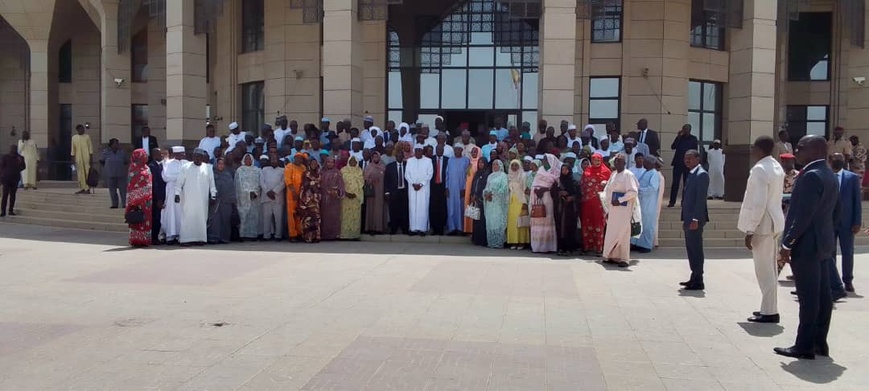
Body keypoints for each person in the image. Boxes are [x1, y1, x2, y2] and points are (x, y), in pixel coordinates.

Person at [775, 135, 839, 360]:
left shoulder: (810, 176)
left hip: (808, 246)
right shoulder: (828, 173)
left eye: (800, 148)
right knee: (822, 296)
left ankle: (804, 346)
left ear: (813, 150)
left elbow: (802, 215)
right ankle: (819, 342)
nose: (797, 152)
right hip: (823, 244)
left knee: (809, 297)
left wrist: (787, 243)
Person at [737, 136, 785, 323]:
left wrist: (750, 230)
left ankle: (770, 312)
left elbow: (758, 203)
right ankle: (768, 307)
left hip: (763, 225)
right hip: (774, 222)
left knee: (764, 269)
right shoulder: (775, 166)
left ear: (760, 149)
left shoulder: (759, 169)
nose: (751, 151)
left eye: (753, 148)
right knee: (770, 267)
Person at [828, 153, 860, 296]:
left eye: (839, 159)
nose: (837, 161)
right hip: (829, 222)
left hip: (847, 223)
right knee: (830, 252)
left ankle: (848, 280)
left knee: (848, 252)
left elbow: (856, 201)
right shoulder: (826, 176)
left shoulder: (852, 178)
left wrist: (857, 221)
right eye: (834, 159)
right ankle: (832, 281)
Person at [679, 150, 709, 291]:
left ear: (698, 159)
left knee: (696, 248)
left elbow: (700, 200)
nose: (687, 161)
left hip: (694, 219)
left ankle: (699, 279)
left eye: (690, 158)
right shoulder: (691, 173)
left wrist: (695, 218)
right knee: (690, 248)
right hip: (688, 217)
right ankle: (694, 276)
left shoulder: (701, 174)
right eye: (685, 158)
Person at [601, 153, 639, 267]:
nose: (617, 163)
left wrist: (621, 200)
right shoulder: (613, 174)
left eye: (619, 161)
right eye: (615, 161)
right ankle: (612, 256)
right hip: (613, 209)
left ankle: (624, 259)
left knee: (623, 233)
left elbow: (633, 192)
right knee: (612, 233)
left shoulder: (628, 175)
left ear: (624, 163)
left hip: (623, 210)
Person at [175, 149, 217, 246]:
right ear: (192, 157)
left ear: (202, 158)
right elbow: (179, 182)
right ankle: (185, 239)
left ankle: (200, 238)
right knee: (187, 217)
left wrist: (213, 195)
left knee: (201, 217)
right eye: (195, 156)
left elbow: (212, 183)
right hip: (188, 198)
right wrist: (177, 194)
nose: (197, 158)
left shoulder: (208, 168)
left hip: (203, 199)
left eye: (199, 156)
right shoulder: (185, 167)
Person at [580, 154, 611, 255]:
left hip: (600, 203)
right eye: (594, 160)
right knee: (587, 223)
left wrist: (604, 183)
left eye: (598, 160)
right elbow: (582, 184)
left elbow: (610, 186)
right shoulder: (587, 171)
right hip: (587, 202)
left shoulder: (607, 172)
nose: (596, 162)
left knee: (599, 223)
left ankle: (598, 248)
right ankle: (587, 247)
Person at [530, 154, 561, 253]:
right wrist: (536, 191)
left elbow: (557, 187)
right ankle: (537, 246)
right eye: (543, 160)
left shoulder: (556, 172)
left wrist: (545, 189)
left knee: (547, 220)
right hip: (536, 198)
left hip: (548, 198)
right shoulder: (540, 170)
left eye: (546, 159)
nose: (544, 161)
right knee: (537, 220)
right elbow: (534, 183)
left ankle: (548, 246)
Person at [631, 156, 661, 253]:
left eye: (646, 162)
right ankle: (638, 243)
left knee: (648, 225)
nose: (643, 163)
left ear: (651, 163)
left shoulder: (654, 173)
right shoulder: (646, 172)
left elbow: (653, 188)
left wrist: (640, 190)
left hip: (649, 203)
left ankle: (647, 245)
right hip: (641, 203)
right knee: (640, 224)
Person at [124, 149, 152, 247]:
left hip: (147, 200)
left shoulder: (147, 168)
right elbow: (131, 185)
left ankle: (144, 240)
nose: (146, 157)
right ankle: (136, 240)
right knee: (136, 220)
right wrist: (136, 199)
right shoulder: (133, 168)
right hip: (135, 201)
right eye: (144, 155)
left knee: (145, 220)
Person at [668, 124, 699, 207]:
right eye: (684, 129)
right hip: (678, 163)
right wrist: (677, 137)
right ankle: (672, 201)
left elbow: (695, 151)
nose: (685, 131)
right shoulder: (680, 138)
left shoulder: (693, 139)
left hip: (688, 164)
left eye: (687, 129)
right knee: (675, 183)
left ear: (690, 130)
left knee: (687, 184)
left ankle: (684, 202)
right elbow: (673, 147)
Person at [406, 146, 434, 235]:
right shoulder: (410, 161)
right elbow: (407, 174)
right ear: (414, 151)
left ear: (422, 151)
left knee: (423, 208)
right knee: (412, 208)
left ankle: (422, 229)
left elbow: (430, 174)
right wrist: (413, 183)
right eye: (416, 150)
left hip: (423, 188)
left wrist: (421, 184)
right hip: (412, 187)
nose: (418, 152)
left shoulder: (428, 161)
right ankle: (413, 228)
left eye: (420, 151)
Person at [161, 146, 186, 244]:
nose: (184, 155)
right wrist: (180, 177)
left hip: (183, 191)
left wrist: (179, 178)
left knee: (182, 213)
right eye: (181, 153)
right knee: (172, 213)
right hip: (172, 191)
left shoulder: (186, 163)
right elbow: (166, 177)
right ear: (176, 154)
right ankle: (171, 235)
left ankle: (181, 235)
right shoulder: (168, 163)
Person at [482, 160, 509, 248]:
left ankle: (498, 242)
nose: (495, 166)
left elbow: (504, 189)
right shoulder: (490, 176)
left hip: (498, 202)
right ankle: (491, 242)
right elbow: (486, 187)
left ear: (500, 165)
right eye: (493, 164)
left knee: (497, 221)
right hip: (490, 203)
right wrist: (486, 194)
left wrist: (493, 194)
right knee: (491, 222)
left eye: (497, 164)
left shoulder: (503, 176)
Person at [556, 160, 581, 255]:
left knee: (570, 228)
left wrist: (572, 198)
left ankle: (569, 248)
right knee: (561, 228)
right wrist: (560, 193)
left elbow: (579, 195)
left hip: (571, 209)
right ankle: (561, 247)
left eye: (566, 169)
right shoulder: (559, 181)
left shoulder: (574, 182)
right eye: (562, 169)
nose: (564, 171)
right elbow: (554, 192)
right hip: (561, 208)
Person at [235, 154, 261, 241]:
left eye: (249, 159)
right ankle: (242, 235)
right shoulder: (240, 170)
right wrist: (247, 193)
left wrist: (255, 193)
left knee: (254, 216)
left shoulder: (257, 170)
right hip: (243, 198)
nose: (248, 160)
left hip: (255, 197)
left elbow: (259, 183)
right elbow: (238, 185)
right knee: (243, 216)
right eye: (246, 159)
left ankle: (253, 235)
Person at [505, 159, 530, 250]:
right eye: (512, 165)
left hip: (520, 201)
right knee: (512, 222)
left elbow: (525, 190)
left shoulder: (523, 176)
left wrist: (525, 202)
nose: (514, 167)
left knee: (520, 221)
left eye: (516, 165)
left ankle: (521, 242)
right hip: (511, 202)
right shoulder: (509, 176)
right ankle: (513, 241)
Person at [319, 157, 345, 241]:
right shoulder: (321, 172)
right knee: (324, 215)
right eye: (328, 162)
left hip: (334, 198)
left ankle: (333, 235)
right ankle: (324, 234)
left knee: (333, 215)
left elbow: (341, 185)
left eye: (332, 162)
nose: (330, 164)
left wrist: (336, 192)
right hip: (323, 197)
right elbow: (318, 184)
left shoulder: (337, 173)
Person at [384, 149, 409, 235]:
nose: (400, 157)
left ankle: (405, 228)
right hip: (393, 192)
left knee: (404, 210)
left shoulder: (407, 165)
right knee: (393, 210)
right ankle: (393, 228)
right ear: (395, 157)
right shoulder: (390, 166)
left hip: (404, 192)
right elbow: (386, 180)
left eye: (401, 156)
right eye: (398, 156)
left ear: (403, 157)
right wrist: (386, 192)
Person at [446, 145, 470, 235]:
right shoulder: (450, 160)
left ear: (462, 150)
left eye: (459, 149)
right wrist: (446, 187)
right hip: (451, 189)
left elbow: (468, 176)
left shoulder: (466, 160)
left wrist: (464, 188)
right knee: (451, 208)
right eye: (455, 149)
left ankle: (461, 228)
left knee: (461, 208)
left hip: (461, 189)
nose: (457, 151)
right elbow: (447, 174)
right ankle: (452, 228)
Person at [260, 155, 286, 241]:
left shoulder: (283, 170)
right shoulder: (264, 170)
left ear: (278, 161)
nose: (274, 161)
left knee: (278, 218)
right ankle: (266, 235)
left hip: (277, 197)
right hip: (266, 196)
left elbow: (283, 182)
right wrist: (267, 191)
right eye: (272, 159)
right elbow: (261, 182)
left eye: (275, 159)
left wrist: (274, 191)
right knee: (266, 218)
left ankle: (278, 235)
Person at [340, 156, 364, 240]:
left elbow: (361, 183)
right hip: (345, 196)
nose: (353, 162)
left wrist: (354, 193)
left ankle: (355, 235)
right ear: (348, 161)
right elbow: (340, 183)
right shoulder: (343, 170)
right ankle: (345, 235)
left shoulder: (359, 170)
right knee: (346, 216)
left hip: (356, 196)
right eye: (351, 161)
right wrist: (346, 192)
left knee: (355, 216)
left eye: (354, 161)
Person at [284, 153, 307, 240]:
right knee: (292, 214)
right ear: (294, 158)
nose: (299, 160)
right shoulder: (289, 166)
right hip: (292, 194)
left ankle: (299, 233)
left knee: (300, 213)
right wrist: (293, 192)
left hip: (302, 193)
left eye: (300, 158)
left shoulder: (303, 167)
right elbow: (287, 180)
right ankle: (292, 234)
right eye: (297, 158)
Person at [101, 139, 129, 209]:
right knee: (112, 190)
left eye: (117, 143)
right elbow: (102, 161)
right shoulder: (106, 152)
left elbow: (126, 161)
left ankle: (124, 204)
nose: (116, 145)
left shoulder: (122, 152)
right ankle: (114, 204)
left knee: (123, 190)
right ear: (111, 145)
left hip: (121, 174)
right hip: (110, 174)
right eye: (115, 143)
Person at [364, 151, 387, 234]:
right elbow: (365, 178)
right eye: (373, 157)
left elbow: (386, 179)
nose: (375, 158)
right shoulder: (368, 167)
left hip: (380, 191)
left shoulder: (383, 167)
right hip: (372, 191)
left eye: (376, 157)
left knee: (379, 209)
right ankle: (371, 228)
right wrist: (369, 180)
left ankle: (379, 228)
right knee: (371, 209)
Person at [299, 159, 322, 243]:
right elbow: (304, 185)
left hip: (315, 199)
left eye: (315, 164)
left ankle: (316, 236)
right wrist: (310, 185)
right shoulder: (306, 173)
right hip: (307, 198)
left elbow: (320, 186)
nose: (314, 165)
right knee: (308, 218)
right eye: (312, 163)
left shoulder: (319, 174)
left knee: (316, 218)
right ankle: (308, 237)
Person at [0, 145, 26, 217]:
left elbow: (24, 167)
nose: (13, 150)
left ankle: (11, 210)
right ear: (10, 149)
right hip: (6, 178)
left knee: (13, 195)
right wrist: (1, 177)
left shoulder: (20, 158)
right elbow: (1, 167)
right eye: (12, 149)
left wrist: (18, 168)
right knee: (5, 195)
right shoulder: (5, 157)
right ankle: (3, 211)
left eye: (15, 149)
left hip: (15, 179)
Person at [148, 148, 166, 244]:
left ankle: (158, 236)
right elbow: (155, 184)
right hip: (156, 197)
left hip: (162, 195)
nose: (162, 156)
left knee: (160, 217)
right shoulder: (152, 166)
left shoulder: (160, 165)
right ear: (155, 155)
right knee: (156, 218)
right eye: (160, 154)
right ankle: (153, 237)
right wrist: (158, 198)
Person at [470, 159, 491, 246]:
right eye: (479, 163)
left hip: (482, 200)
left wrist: (478, 195)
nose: (481, 164)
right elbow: (474, 185)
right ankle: (476, 239)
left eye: (482, 163)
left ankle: (482, 240)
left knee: (482, 219)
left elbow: (485, 186)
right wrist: (472, 195)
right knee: (476, 219)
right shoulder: (477, 173)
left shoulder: (487, 174)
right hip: (475, 199)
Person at [429, 146, 449, 235]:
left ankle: (441, 229)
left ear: (443, 150)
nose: (439, 151)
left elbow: (448, 174)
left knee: (442, 208)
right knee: (433, 208)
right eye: (438, 149)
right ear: (435, 150)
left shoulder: (447, 160)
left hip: (443, 187)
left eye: (441, 150)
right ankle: (434, 228)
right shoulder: (430, 160)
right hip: (433, 187)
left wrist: (447, 187)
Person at [463, 146, 483, 234]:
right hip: (467, 187)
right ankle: (467, 228)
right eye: (472, 152)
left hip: (474, 187)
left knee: (474, 206)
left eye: (475, 152)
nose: (473, 153)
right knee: (468, 206)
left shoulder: (479, 163)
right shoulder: (469, 162)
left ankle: (472, 229)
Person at [71, 124, 93, 194]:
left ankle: (88, 188)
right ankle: (82, 188)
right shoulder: (74, 138)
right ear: (77, 130)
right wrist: (73, 159)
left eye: (83, 129)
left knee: (87, 172)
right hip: (78, 158)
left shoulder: (87, 137)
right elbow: (73, 150)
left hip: (86, 157)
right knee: (80, 173)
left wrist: (91, 159)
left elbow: (90, 148)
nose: (82, 130)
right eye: (81, 129)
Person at [654, 157, 666, 248]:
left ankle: (654, 241)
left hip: (654, 202)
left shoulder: (658, 176)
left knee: (654, 221)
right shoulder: (657, 175)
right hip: (654, 202)